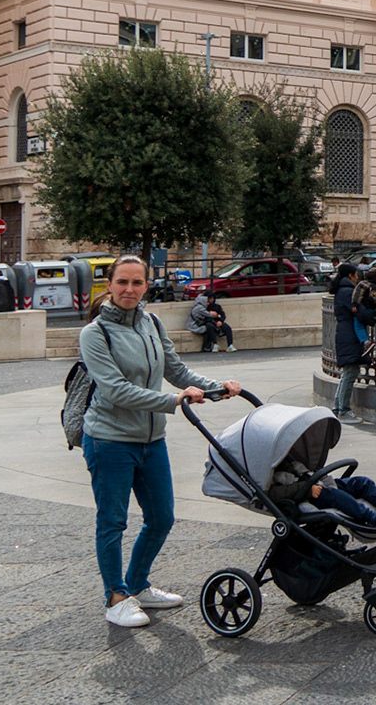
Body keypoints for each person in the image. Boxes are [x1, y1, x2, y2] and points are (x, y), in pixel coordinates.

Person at [78, 254, 240, 628]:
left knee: (162, 517)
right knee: (112, 522)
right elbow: (116, 390)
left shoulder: (151, 322)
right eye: (122, 282)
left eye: (137, 282)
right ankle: (116, 597)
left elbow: (176, 370)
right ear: (109, 285)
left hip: (152, 439)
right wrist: (174, 401)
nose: (129, 289)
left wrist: (216, 388)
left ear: (146, 286)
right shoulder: (95, 334)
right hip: (110, 440)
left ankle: (137, 584)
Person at [269, 447, 376, 531]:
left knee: (361, 482)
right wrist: (306, 489)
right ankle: (372, 517)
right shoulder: (269, 474)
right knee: (337, 497)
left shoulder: (287, 459)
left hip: (317, 483)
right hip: (306, 496)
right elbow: (274, 493)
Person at [330, 264, 368, 424]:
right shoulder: (347, 292)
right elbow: (359, 311)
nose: (357, 277)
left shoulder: (341, 290)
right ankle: (344, 410)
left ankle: (338, 408)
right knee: (350, 372)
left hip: (345, 332)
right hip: (349, 334)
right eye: (356, 274)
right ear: (351, 275)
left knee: (348, 372)